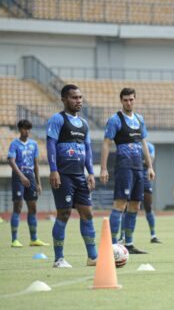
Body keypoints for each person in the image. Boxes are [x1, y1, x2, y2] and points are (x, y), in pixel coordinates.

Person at [46, 84, 97, 268]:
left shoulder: (84, 124)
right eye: (74, 98)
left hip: (79, 175)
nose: (79, 101)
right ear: (64, 99)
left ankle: (93, 257)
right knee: (64, 213)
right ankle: (59, 259)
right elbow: (51, 145)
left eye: (80, 97)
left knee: (88, 213)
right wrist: (53, 170)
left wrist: (90, 172)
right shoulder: (57, 120)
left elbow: (88, 149)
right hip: (63, 174)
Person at [100, 88, 155, 254]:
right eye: (125, 100)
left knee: (135, 206)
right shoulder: (115, 120)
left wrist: (150, 166)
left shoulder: (139, 119)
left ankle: (129, 244)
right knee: (120, 204)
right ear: (121, 101)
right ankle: (113, 244)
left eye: (131, 99)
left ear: (135, 100)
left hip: (139, 167)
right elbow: (106, 143)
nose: (128, 102)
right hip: (124, 166)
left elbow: (143, 143)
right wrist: (103, 168)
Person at [8, 119, 48, 248]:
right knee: (18, 206)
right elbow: (11, 161)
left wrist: (38, 183)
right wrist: (21, 176)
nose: (28, 131)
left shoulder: (34, 144)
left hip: (30, 176)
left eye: (29, 129)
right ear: (20, 129)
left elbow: (36, 164)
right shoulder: (14, 144)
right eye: (25, 129)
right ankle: (14, 239)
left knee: (33, 207)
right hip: (18, 175)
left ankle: (34, 239)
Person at [119, 141, 161, 244]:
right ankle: (123, 236)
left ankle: (153, 235)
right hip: (132, 176)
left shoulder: (150, 146)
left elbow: (149, 161)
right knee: (126, 208)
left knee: (148, 207)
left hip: (145, 178)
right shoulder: (130, 145)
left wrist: (138, 159)